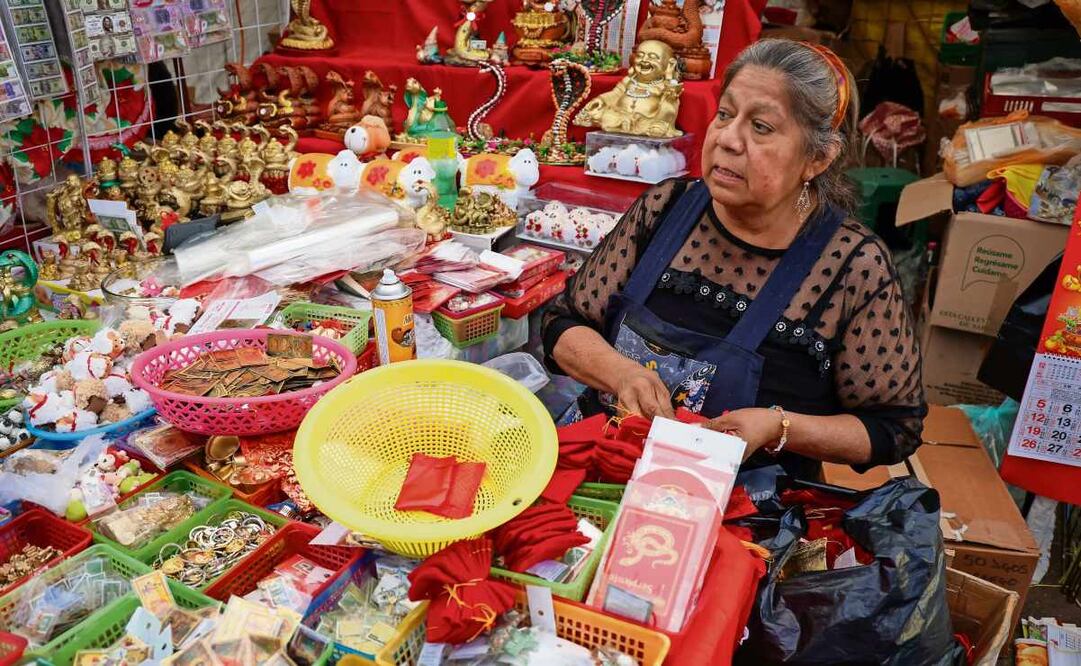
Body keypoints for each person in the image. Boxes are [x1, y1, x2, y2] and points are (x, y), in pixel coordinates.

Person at [542, 39, 926, 479]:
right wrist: (620, 373)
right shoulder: (665, 208)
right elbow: (562, 322)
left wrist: (779, 427)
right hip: (600, 469)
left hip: (746, 504)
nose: (727, 139)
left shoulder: (852, 266)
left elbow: (893, 428)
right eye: (725, 115)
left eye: (761, 127)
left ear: (818, 158)